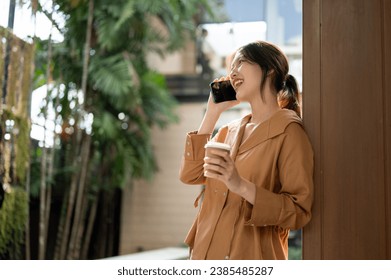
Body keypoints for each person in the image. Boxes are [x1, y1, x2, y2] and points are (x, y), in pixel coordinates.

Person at [179, 40, 314, 260]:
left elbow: (299, 211)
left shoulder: (289, 132)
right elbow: (190, 175)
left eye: (240, 62)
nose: (232, 73)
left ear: (269, 69)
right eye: (230, 67)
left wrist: (240, 186)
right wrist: (212, 113)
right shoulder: (228, 131)